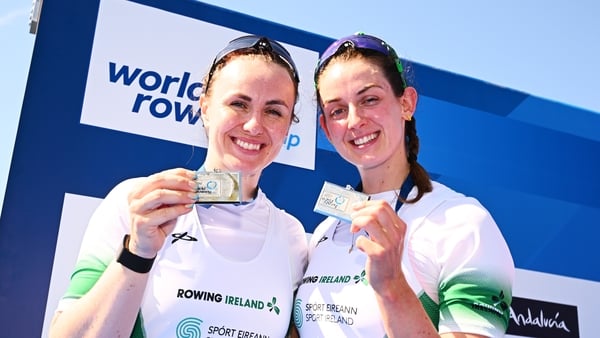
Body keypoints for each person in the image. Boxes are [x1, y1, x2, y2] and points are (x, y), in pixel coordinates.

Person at [50, 35, 308, 337]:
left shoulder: (291, 236)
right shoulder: (137, 202)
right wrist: (137, 254)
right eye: (239, 104)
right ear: (206, 108)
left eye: (273, 111)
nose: (254, 125)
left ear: (288, 125)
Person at [294, 33, 515, 337]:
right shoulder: (323, 232)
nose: (355, 120)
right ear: (327, 131)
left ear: (406, 104)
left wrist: (391, 285)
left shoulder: (463, 223)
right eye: (337, 111)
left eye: (369, 99)